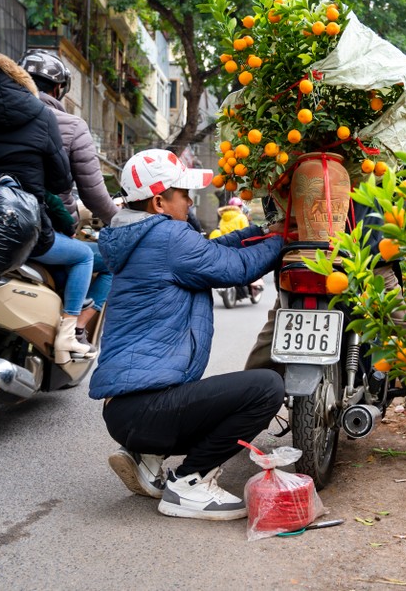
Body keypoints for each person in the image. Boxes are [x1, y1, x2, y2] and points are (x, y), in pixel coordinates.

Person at [89, 148, 284, 520]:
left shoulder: (142, 233)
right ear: (160, 202)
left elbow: (211, 251)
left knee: (219, 395)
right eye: (184, 193)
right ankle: (190, 482)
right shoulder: (166, 237)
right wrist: (288, 239)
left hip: (126, 410)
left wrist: (261, 233)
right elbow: (236, 268)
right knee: (266, 388)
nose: (190, 200)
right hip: (145, 410)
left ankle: (147, 458)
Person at [0, 50, 94, 364]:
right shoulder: (41, 114)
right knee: (83, 256)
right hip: (25, 229)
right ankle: (68, 334)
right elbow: (61, 181)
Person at [19, 49, 116, 345]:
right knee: (105, 258)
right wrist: (120, 220)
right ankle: (73, 328)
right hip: (42, 229)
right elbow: (93, 193)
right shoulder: (69, 125)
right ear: (59, 89)